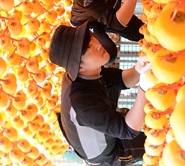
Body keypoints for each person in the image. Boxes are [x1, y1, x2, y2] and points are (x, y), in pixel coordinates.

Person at [49, 21, 153, 166]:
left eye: (91, 38)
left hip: (103, 122)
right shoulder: (81, 104)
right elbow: (129, 130)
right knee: (156, 145)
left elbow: (122, 80)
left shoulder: (91, 70)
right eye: (88, 47)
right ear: (79, 67)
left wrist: (138, 68)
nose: (97, 44)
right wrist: (144, 87)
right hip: (105, 155)